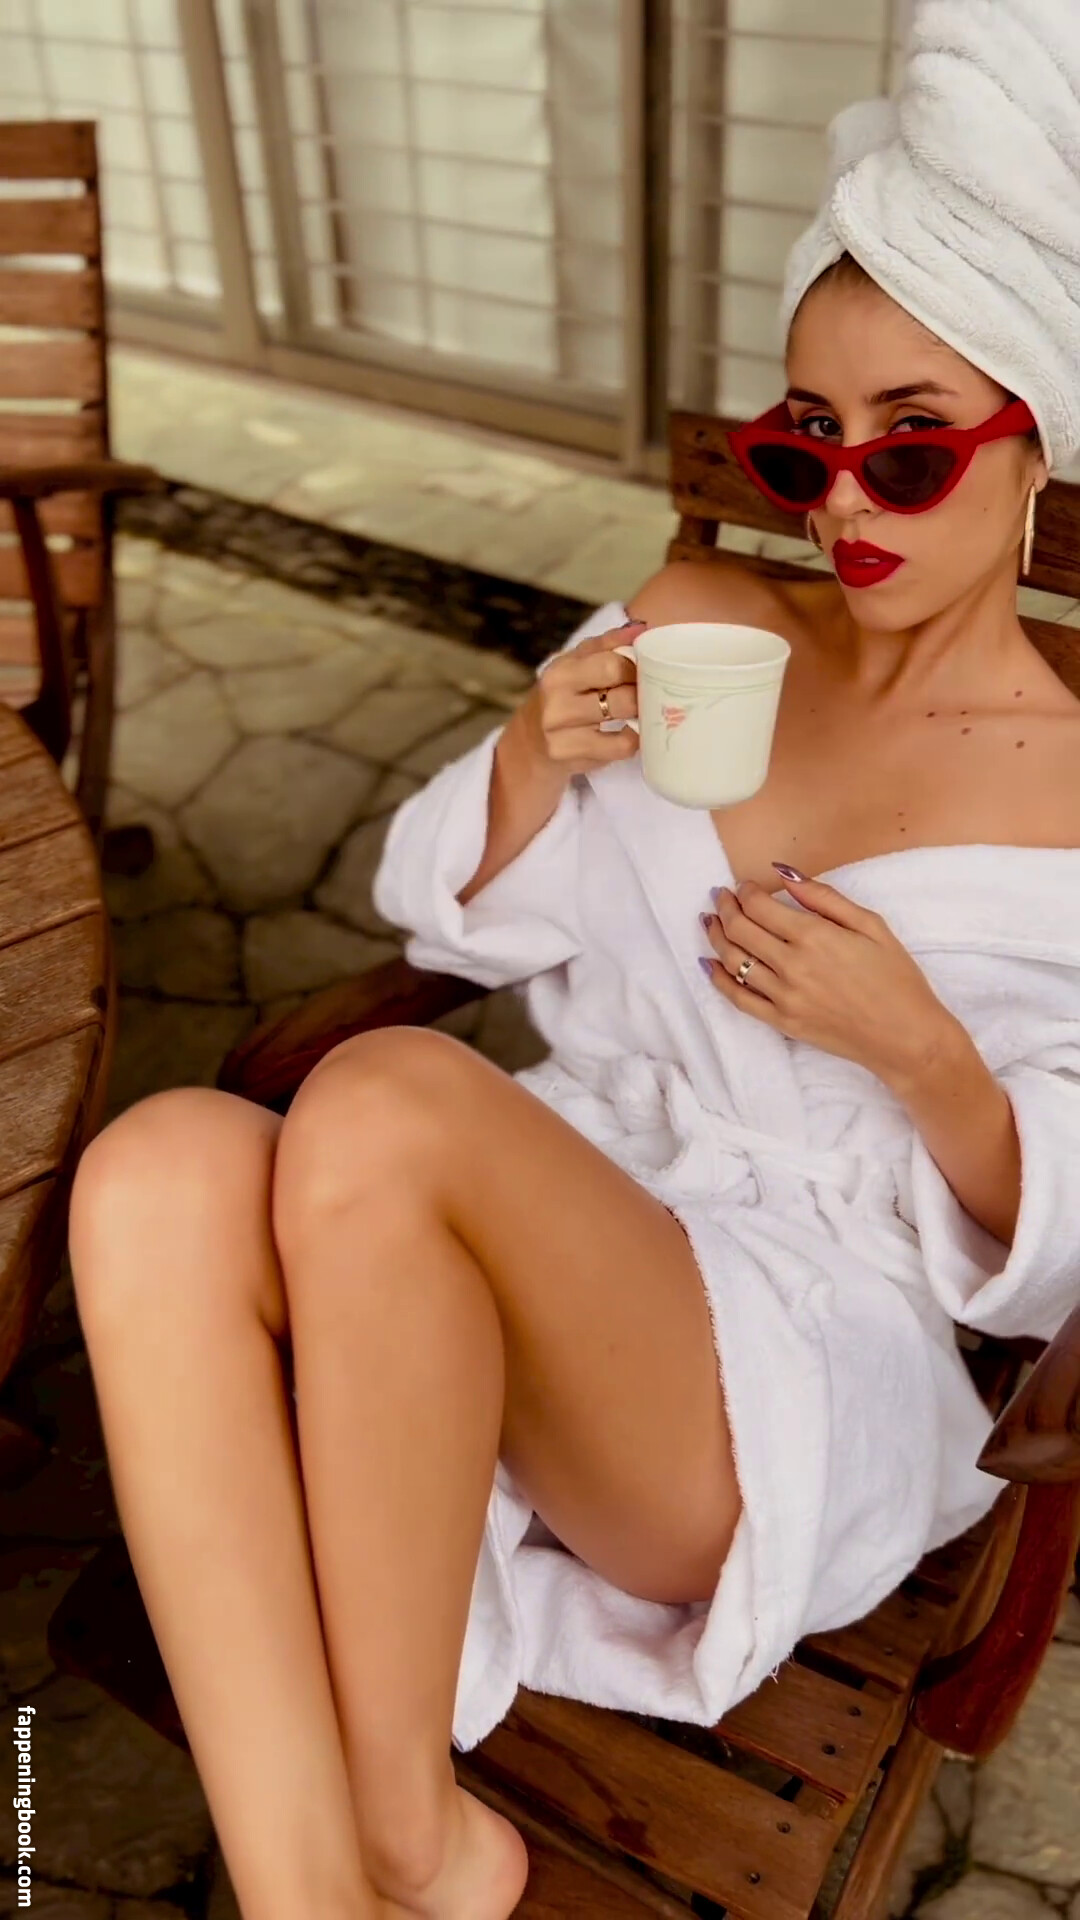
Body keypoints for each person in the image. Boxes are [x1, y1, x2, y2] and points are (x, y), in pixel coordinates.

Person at [67, 6, 1080, 1918]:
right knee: (158, 1166)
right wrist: (534, 760)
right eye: (805, 440)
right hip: (524, 1208)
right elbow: (445, 915)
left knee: (385, 1097)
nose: (839, 502)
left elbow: (1071, 1257)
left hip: (782, 1364)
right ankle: (344, 1883)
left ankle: (395, 1824)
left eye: (912, 450)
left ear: (1039, 443)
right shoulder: (694, 617)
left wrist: (930, 1060)